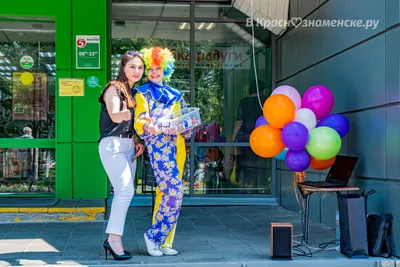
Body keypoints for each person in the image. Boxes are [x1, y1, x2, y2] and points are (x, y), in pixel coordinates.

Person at [134, 46, 191, 257]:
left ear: (166, 69)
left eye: (158, 68)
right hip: (159, 147)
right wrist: (148, 126)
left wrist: (187, 128)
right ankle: (154, 236)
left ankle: (165, 242)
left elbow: (183, 121)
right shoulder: (142, 93)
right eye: (150, 69)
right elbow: (140, 120)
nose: (154, 72)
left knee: (169, 193)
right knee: (174, 192)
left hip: (178, 148)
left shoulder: (176, 95)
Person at [98, 51, 145, 261]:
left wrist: (136, 140)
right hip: (112, 145)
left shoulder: (134, 92)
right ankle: (113, 240)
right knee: (125, 191)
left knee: (124, 192)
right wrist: (121, 115)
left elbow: (132, 124)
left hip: (127, 146)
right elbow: (114, 112)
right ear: (123, 68)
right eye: (132, 66)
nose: (137, 71)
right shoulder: (113, 88)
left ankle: (114, 238)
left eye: (140, 68)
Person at [231, 80, 268, 193]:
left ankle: (249, 188)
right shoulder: (266, 100)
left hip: (246, 137)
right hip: (263, 137)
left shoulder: (244, 102)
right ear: (262, 89)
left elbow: (239, 121)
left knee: (248, 164)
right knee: (261, 163)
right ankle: (262, 187)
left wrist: (233, 137)